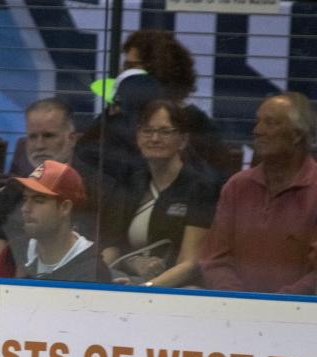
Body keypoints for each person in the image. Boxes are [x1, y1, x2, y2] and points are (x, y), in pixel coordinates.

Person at [76, 30, 231, 184]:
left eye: (131, 68)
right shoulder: (119, 115)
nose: (122, 74)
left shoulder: (194, 123)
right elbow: (83, 157)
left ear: (157, 73)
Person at [200, 92, 317, 294]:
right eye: (257, 122)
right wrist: (239, 301)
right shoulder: (237, 186)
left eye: (270, 123)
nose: (257, 130)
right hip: (234, 312)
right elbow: (215, 260)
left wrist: (276, 306)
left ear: (297, 134)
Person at [0, 98, 98, 277]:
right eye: (32, 136)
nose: (39, 145)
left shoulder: (98, 187)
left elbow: (104, 252)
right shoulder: (12, 191)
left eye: (48, 136)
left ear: (71, 139)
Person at [100, 100, 218, 288]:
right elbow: (111, 247)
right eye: (147, 131)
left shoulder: (201, 187)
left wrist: (146, 289)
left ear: (183, 140)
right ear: (138, 136)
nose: (154, 138)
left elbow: (189, 264)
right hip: (125, 281)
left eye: (165, 131)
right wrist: (99, 281)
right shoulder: (129, 181)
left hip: (174, 289)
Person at [12, 161, 111, 282]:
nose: (25, 208)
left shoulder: (92, 272)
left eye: (38, 200)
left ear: (65, 207)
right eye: (25, 199)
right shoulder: (15, 252)